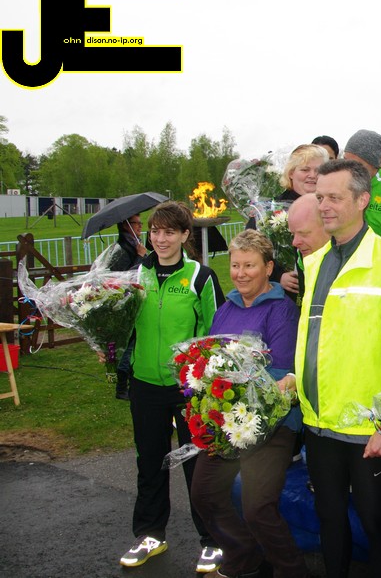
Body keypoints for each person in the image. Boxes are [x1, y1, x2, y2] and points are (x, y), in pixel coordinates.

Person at [294, 159, 381, 578]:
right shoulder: (313, 262)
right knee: (329, 518)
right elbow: (316, 339)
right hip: (318, 421)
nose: (324, 206)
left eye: (334, 197)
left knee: (374, 520)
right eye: (320, 197)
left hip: (369, 427)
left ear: (363, 199)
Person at [190, 230, 307, 578]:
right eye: (235, 265)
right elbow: (210, 358)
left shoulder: (282, 311)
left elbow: (281, 371)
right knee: (204, 494)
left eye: (249, 266)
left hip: (272, 423)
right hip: (228, 420)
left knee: (257, 508)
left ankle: (291, 571)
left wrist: (232, 381)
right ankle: (244, 555)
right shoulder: (225, 309)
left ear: (268, 268)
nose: (240, 274)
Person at [119, 201, 224, 572]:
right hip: (145, 383)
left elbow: (215, 333)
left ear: (184, 235)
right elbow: (121, 324)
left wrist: (204, 377)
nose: (160, 239)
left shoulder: (200, 277)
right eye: (155, 231)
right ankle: (150, 534)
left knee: (198, 467)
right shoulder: (135, 275)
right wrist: (108, 343)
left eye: (169, 232)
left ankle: (213, 540)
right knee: (149, 462)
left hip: (188, 388)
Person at [277, 144, 330, 297]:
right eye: (305, 170)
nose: (312, 175)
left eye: (318, 170)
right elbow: (253, 252)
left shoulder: (333, 205)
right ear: (291, 173)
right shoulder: (272, 209)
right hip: (287, 295)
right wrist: (278, 275)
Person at [106, 213, 147, 400]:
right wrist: (140, 257)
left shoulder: (134, 244)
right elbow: (123, 278)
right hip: (125, 303)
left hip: (134, 301)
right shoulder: (122, 250)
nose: (139, 226)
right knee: (129, 346)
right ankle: (122, 386)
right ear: (125, 225)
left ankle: (128, 383)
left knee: (133, 343)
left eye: (140, 223)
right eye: (135, 223)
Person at [343, 129, 381, 242]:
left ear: (373, 163)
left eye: (357, 164)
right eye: (346, 161)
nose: (349, 168)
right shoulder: (340, 184)